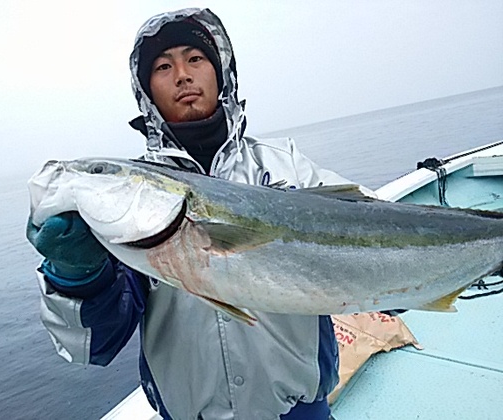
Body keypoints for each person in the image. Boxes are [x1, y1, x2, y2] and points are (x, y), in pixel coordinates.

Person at [27, 8, 368, 419]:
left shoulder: (287, 166)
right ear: (147, 90)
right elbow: (93, 345)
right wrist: (77, 275)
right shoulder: (134, 219)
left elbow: (375, 227)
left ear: (220, 72)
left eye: (195, 59)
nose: (182, 76)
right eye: (163, 66)